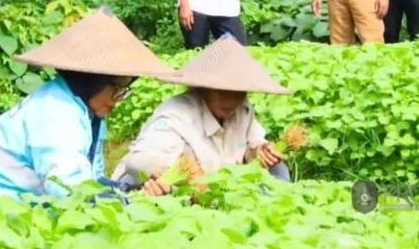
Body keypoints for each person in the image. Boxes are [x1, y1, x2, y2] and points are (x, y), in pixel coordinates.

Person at [0, 9, 172, 208]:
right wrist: (127, 205)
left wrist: (133, 192)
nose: (117, 100)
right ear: (94, 81)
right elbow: (68, 189)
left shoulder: (87, 110)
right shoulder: (55, 111)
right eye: (116, 89)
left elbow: (89, 180)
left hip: (10, 209)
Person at [114, 35, 290, 195]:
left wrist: (261, 151)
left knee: (278, 171)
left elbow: (252, 144)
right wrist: (186, 175)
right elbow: (138, 163)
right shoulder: (177, 114)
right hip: (163, 192)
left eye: (238, 93)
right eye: (222, 92)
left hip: (219, 193)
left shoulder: (242, 110)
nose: (231, 100)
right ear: (203, 88)